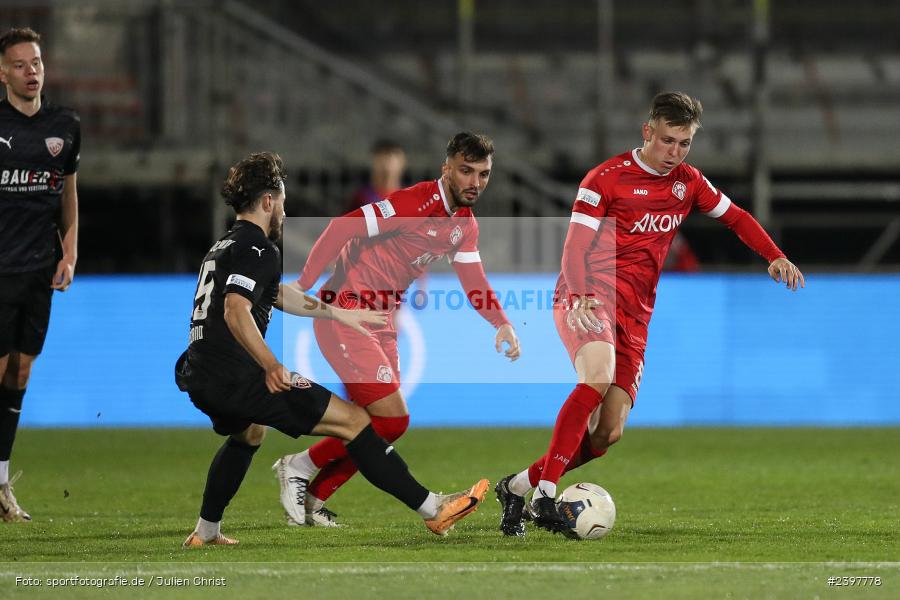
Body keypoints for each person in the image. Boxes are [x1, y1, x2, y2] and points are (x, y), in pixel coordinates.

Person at [495, 92, 805, 536]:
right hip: (587, 295)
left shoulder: (688, 182)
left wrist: (773, 255)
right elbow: (575, 245)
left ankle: (517, 486)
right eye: (667, 141)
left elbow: (735, 217)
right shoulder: (605, 179)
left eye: (684, 143)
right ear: (647, 132)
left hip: (636, 314)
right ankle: (545, 496)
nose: (674, 152)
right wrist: (581, 292)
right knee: (595, 377)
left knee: (607, 434)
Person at [175, 152, 488, 546]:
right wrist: (272, 366)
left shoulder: (225, 246)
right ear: (269, 201)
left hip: (199, 373)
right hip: (237, 375)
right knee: (356, 423)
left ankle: (206, 532)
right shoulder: (259, 249)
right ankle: (432, 508)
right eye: (283, 201)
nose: (286, 211)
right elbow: (236, 310)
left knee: (249, 434)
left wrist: (338, 314)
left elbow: (276, 297)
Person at [273, 132, 520, 527]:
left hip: (382, 321)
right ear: (447, 169)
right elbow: (342, 227)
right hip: (346, 312)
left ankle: (312, 499)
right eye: (466, 171)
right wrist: (303, 285)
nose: (475, 182)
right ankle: (298, 466)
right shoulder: (413, 203)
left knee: (384, 425)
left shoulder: (464, 225)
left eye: (484, 174)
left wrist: (501, 321)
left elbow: (474, 280)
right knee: (392, 419)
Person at [0, 27, 80, 523]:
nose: (32, 72)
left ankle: (1, 483)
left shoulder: (65, 124)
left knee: (20, 371)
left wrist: (69, 251)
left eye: (37, 62)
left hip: (37, 270)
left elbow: (68, 194)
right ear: (3, 72)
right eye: (21, 64)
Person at [345, 139, 407, 213]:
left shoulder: (409, 200)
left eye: (393, 156)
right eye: (382, 156)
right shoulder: (360, 198)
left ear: (403, 162)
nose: (387, 162)